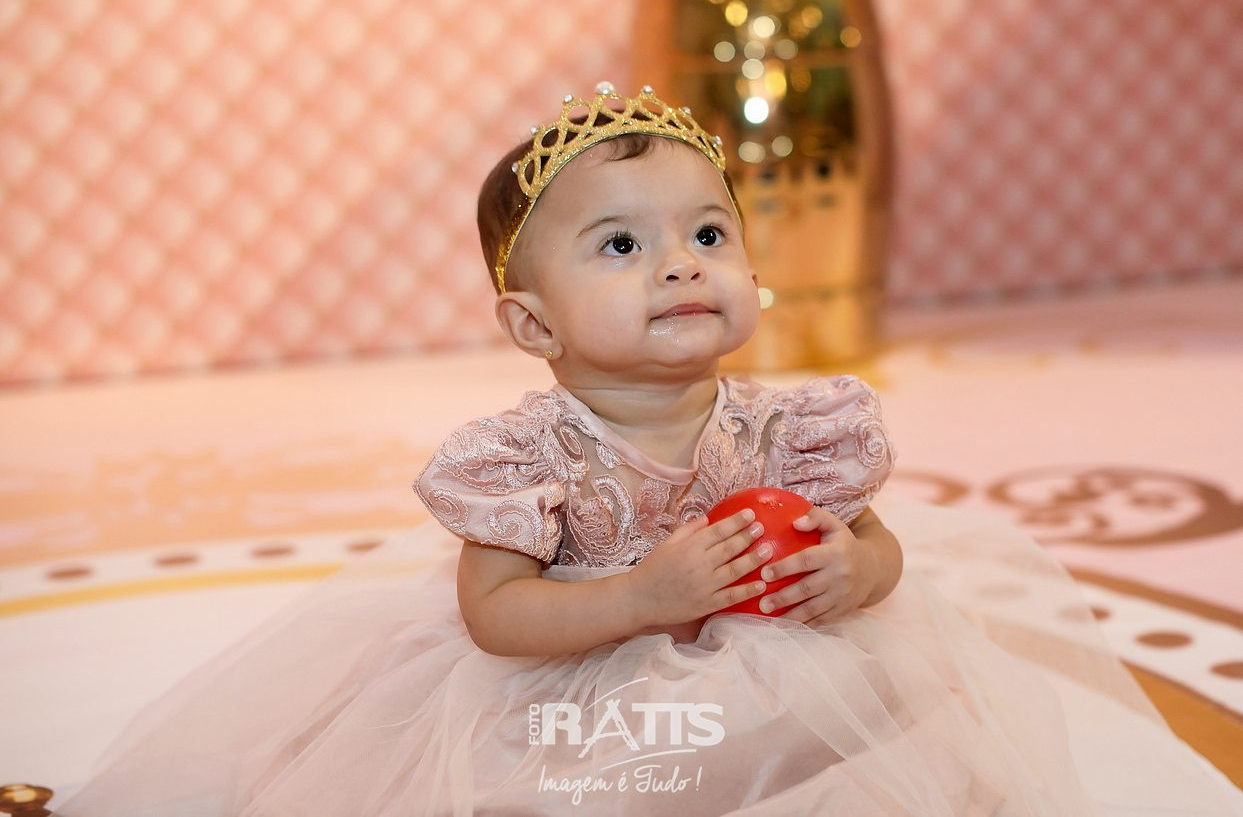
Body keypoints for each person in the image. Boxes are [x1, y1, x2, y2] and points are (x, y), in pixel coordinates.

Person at [59, 85, 1243, 816]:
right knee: (563, 783)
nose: (680, 263)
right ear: (534, 326)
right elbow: (495, 617)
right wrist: (641, 599)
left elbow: (875, 540)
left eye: (708, 233)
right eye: (620, 246)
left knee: (892, 689)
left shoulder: (786, 428)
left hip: (761, 678)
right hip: (580, 686)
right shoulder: (528, 456)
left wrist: (855, 571)